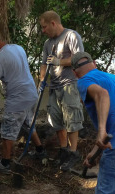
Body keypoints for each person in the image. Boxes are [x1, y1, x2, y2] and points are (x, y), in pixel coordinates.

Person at [0, 33, 44, 173]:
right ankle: (40, 150)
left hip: (17, 99)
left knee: (8, 130)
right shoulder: (18, 48)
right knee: (28, 123)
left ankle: (5, 163)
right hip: (31, 94)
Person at [72, 51, 115, 194]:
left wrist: (101, 131)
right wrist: (95, 151)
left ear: (74, 72)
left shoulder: (84, 81)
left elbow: (102, 95)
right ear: (94, 63)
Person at [39, 10, 84, 171]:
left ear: (53, 23)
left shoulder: (71, 36)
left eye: (44, 27)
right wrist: (42, 79)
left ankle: (73, 153)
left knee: (72, 120)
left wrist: (60, 61)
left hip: (70, 84)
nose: (43, 31)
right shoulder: (48, 44)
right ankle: (64, 151)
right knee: (57, 121)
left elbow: (79, 58)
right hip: (55, 86)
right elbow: (44, 64)